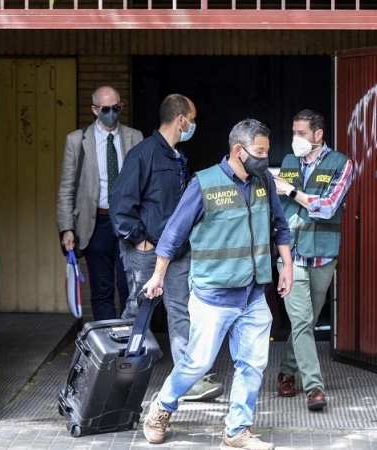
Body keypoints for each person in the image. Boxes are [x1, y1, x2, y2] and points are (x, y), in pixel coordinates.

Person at [141, 118, 294, 450]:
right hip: (213, 295)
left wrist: (287, 267)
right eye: (260, 152)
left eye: (267, 151)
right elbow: (172, 235)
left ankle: (236, 430)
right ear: (238, 151)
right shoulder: (205, 184)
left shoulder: (264, 180)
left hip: (254, 294)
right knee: (198, 362)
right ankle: (162, 407)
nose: (265, 158)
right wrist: (158, 276)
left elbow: (280, 226)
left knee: (253, 364)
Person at [110, 93, 223, 402]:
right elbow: (120, 204)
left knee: (181, 310)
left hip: (177, 251)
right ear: (181, 120)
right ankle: (117, 376)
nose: (194, 125)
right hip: (147, 251)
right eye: (193, 119)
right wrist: (140, 240)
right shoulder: (143, 155)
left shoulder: (178, 158)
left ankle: (188, 379)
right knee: (138, 311)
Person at [272, 109, 355, 411]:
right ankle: (314, 389)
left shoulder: (341, 164)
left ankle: (285, 371)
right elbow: (279, 204)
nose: (296, 139)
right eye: (293, 133)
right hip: (290, 256)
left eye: (301, 133)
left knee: (304, 322)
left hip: (322, 256)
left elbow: (328, 207)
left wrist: (292, 190)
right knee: (303, 320)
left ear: (318, 134)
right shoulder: (289, 162)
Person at [57, 86, 144, 320]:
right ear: (95, 109)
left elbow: (144, 184)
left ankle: (131, 344)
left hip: (127, 221)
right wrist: (67, 228)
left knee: (131, 287)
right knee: (101, 289)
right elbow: (67, 187)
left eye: (117, 108)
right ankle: (109, 344)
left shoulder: (135, 137)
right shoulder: (77, 141)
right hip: (96, 223)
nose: (112, 113)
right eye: (106, 109)